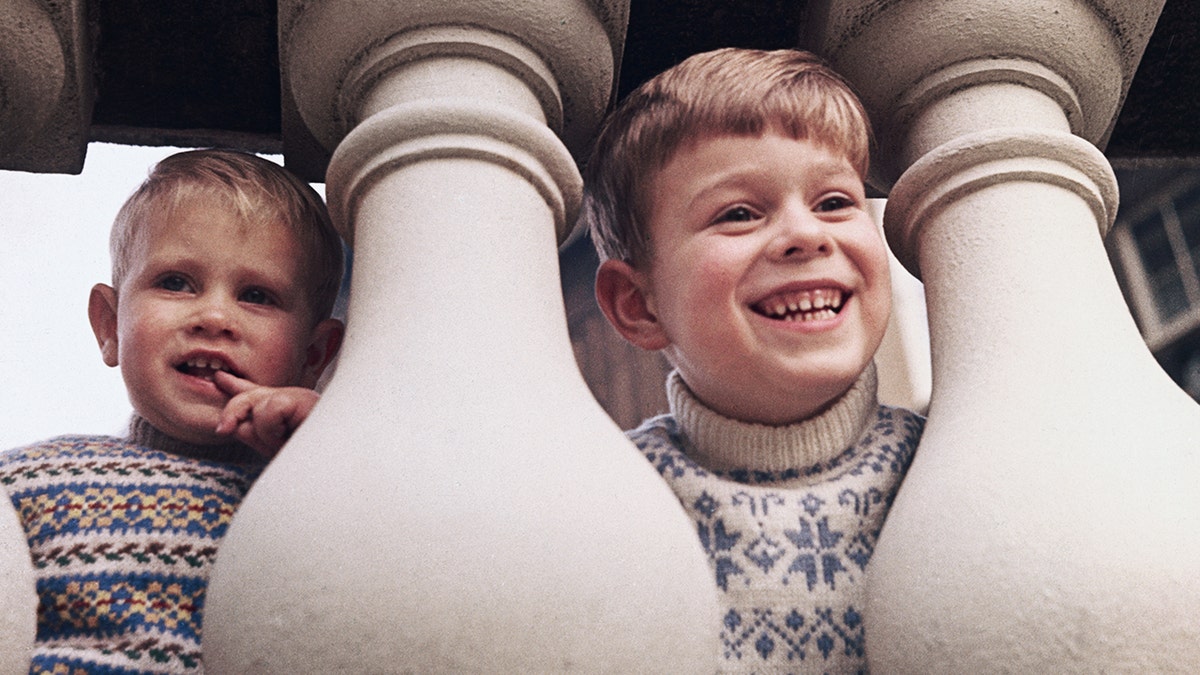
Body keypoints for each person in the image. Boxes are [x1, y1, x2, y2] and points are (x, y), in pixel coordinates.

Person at [583, 48, 924, 673]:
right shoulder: (611, 501)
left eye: (834, 203)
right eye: (739, 213)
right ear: (637, 303)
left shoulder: (947, 466)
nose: (807, 233)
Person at [0, 149, 345, 673]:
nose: (213, 316)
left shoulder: (330, 494)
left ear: (313, 356)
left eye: (256, 295)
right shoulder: (26, 480)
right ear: (110, 326)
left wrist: (322, 456)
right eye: (176, 283)